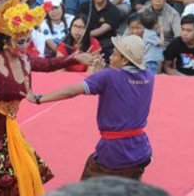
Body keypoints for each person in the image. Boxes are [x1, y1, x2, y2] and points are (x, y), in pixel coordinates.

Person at [0, 0, 95, 196]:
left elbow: (50, 64)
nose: (24, 45)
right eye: (20, 41)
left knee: (27, 169)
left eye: (26, 40)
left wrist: (74, 57)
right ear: (6, 41)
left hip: (6, 127)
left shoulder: (26, 60)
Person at [23, 34, 154, 181]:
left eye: (115, 54)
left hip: (115, 151)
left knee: (88, 190)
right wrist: (101, 76)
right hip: (141, 148)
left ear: (124, 60)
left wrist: (40, 98)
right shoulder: (149, 76)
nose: (110, 57)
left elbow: (71, 91)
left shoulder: (108, 76)